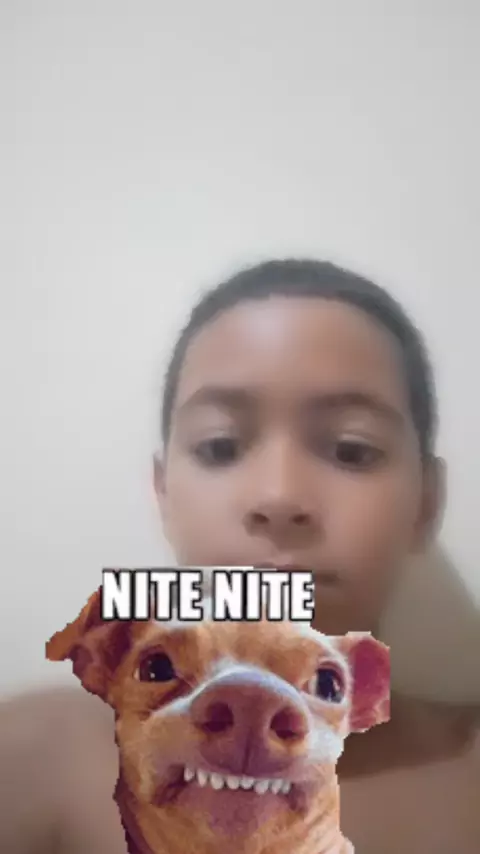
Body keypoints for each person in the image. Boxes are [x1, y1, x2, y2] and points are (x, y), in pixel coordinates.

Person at [1, 258, 478, 854]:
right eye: (221, 446)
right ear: (164, 495)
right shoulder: (39, 758)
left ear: (426, 504)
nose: (278, 497)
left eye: (351, 450)